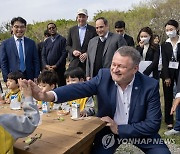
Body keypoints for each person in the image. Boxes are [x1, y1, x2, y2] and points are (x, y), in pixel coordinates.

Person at [27, 46, 170, 154]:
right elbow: (78, 88)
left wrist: (119, 129)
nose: (114, 69)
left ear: (135, 69)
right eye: (113, 64)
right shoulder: (104, 76)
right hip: (108, 130)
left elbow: (153, 124)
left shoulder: (149, 85)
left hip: (139, 131)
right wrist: (48, 96)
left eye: (121, 66)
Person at [0, 78, 40, 154]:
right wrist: (28, 97)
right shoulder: (4, 122)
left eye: (11, 81)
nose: (8, 83)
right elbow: (31, 121)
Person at [0, 16, 40, 82]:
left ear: (25, 28)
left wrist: (36, 76)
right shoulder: (5, 44)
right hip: (13, 78)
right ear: (12, 28)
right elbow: (3, 63)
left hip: (30, 77)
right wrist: (6, 79)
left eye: (22, 27)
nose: (19, 29)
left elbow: (36, 61)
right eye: (16, 27)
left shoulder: (31, 43)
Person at [161, 19, 180, 130]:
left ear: (176, 29)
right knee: (168, 97)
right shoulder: (165, 44)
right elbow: (164, 61)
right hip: (168, 72)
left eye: (171, 29)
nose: (169, 31)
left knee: (179, 94)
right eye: (167, 30)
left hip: (179, 71)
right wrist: (166, 76)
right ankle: (169, 120)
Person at [42, 22, 67, 86]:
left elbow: (64, 54)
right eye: (49, 28)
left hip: (59, 69)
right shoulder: (47, 41)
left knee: (61, 87)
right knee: (50, 86)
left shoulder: (62, 40)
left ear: (56, 28)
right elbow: (43, 54)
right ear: (48, 30)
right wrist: (46, 65)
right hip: (48, 70)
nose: (51, 29)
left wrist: (56, 65)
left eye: (53, 28)